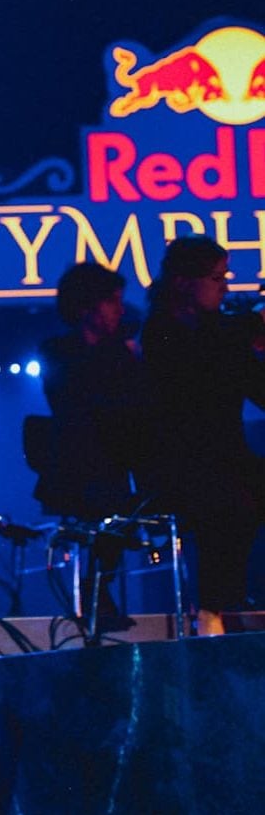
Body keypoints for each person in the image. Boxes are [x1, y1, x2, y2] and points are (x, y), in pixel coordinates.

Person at [141, 235, 265, 636]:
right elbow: (199, 376)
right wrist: (251, 327)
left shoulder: (221, 334)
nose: (225, 287)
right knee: (229, 499)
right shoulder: (160, 332)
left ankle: (228, 601)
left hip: (226, 461)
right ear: (183, 282)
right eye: (216, 278)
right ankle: (214, 607)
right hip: (179, 465)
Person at [33, 262, 146, 621]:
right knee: (109, 508)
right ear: (87, 307)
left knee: (124, 514)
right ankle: (95, 592)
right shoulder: (58, 351)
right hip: (77, 460)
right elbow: (76, 400)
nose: (119, 310)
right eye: (112, 302)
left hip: (115, 457)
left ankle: (100, 588)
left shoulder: (120, 352)